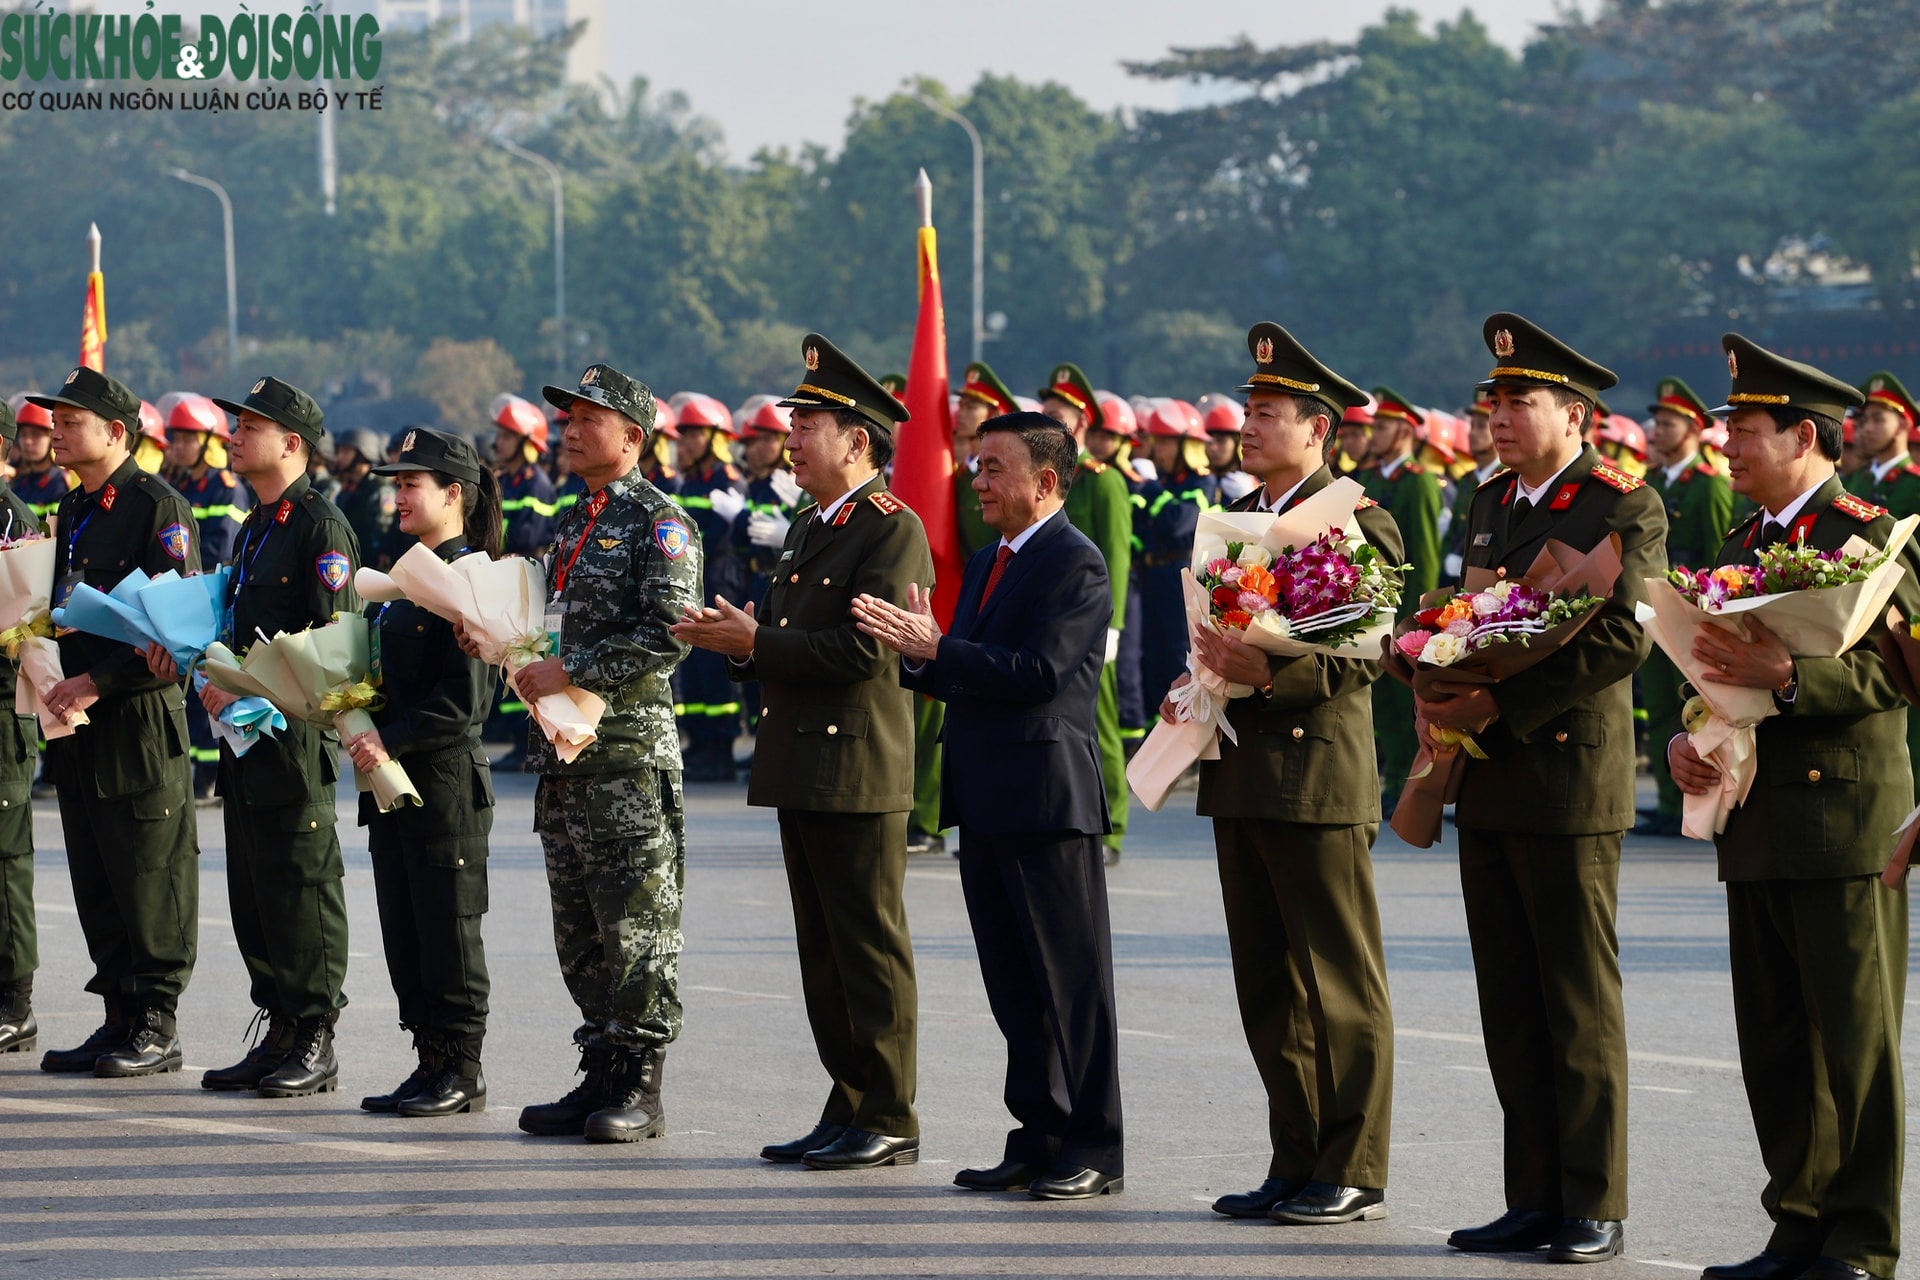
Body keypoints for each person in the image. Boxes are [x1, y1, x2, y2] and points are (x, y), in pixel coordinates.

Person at [1668, 339, 1912, 1280]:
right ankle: (1798, 1225)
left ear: (1804, 437)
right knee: (1774, 1044)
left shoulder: (1868, 535)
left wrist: (1793, 678)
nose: (1727, 443)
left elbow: (1897, 676)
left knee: (1855, 1045)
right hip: (1756, 816)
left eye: (1744, 428)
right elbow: (1711, 666)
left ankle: (1861, 1241)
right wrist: (1690, 737)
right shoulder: (1744, 540)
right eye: (1727, 426)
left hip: (1842, 820)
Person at [1425, 314, 1665, 1264]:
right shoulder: (1489, 501)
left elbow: (1625, 636)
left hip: (1566, 774)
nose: (1499, 417)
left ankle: (1593, 1202)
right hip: (1490, 773)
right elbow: (1468, 613)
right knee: (1511, 998)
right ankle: (1532, 1196)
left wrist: (1498, 701)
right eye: (1493, 401)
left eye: (1519, 401)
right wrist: (1433, 668)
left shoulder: (1622, 505)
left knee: (1575, 1000)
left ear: (1576, 415)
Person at [674, 334, 932, 1172]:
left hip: (856, 766)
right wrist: (741, 645)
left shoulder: (890, 530)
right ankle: (848, 1099)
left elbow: (864, 653)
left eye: (807, 425)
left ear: (857, 441)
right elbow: (786, 640)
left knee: (867, 947)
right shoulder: (810, 524)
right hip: (803, 762)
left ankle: (889, 1112)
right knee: (823, 951)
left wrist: (759, 643)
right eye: (793, 424)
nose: (791, 439)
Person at [856, 409, 1122, 1200]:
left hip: (1045, 799)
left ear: (1046, 480)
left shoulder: (1075, 562)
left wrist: (941, 649)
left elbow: (1040, 674)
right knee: (1014, 985)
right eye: (976, 467)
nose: (978, 482)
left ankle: (1095, 1146)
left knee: (1071, 986)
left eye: (993, 468)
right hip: (985, 794)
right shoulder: (987, 561)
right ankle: (1038, 1134)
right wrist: (922, 654)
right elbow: (967, 666)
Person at [1173, 322, 1400, 1226]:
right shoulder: (1238, 521)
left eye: (1270, 412)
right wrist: (1200, 681)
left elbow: (1362, 653)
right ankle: (1296, 1155)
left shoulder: (1355, 518)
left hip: (1317, 776)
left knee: (1337, 982)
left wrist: (1271, 672)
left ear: (1318, 429)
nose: (1250, 425)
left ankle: (1354, 1166)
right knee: (1268, 982)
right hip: (1241, 769)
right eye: (1250, 410)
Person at [509, 363, 699, 1144]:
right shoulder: (574, 521)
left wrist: (575, 671)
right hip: (565, 756)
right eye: (569, 418)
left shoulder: (660, 521)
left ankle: (641, 1084)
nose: (571, 430)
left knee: (637, 927)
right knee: (581, 930)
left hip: (626, 758)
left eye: (590, 418)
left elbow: (671, 631)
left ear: (632, 436)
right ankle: (600, 1068)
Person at [159, 377, 360, 1099]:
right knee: (254, 886)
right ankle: (278, 1025)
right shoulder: (255, 526)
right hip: (242, 739)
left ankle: (315, 1035)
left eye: (249, 427)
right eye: (235, 425)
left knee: (303, 884)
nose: (234, 436)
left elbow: (336, 651)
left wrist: (252, 688)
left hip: (294, 740)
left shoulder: (320, 528)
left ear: (291, 443)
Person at [33, 367, 201, 1078]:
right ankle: (118, 1015)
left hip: (135, 721)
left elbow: (176, 631)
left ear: (115, 432)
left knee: (147, 871)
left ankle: (157, 1021)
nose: (58, 432)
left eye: (71, 421)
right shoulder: (74, 506)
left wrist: (97, 681)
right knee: (97, 870)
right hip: (78, 721)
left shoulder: (156, 508)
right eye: (56, 421)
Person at [348, 429, 502, 1119]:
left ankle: (461, 1068)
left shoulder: (468, 580)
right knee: (404, 927)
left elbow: (463, 704)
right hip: (391, 785)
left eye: (412, 484)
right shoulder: (404, 579)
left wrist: (388, 737)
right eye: (397, 484)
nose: (399, 495)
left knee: (447, 930)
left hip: (442, 784)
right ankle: (428, 1059)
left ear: (453, 494)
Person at [1038, 362, 1131, 865]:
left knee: (1102, 723)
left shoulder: (1103, 481)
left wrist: (1113, 626)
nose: (1052, 422)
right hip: (1051, 622)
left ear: (1083, 424)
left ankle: (1112, 826)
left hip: (1094, 621)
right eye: (1047, 414)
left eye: (1061, 416)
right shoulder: (1045, 477)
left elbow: (1116, 553)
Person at [1637, 377, 1733, 838]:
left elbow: (1718, 557)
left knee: (1693, 708)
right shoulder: (1652, 480)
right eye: (1657, 422)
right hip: (1655, 609)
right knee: (1659, 704)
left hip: (1691, 615)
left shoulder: (1709, 487)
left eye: (1668, 423)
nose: (1658, 430)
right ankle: (1666, 800)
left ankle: (1694, 802)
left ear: (1695, 428)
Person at [161, 392, 252, 804]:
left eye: (188, 438)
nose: (179, 446)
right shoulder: (179, 485)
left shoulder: (225, 489)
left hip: (209, 600)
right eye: (176, 438)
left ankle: (211, 772)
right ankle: (196, 768)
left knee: (206, 689)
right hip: (181, 598)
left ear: (209, 441)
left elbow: (221, 548)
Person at [1363, 386, 1441, 813]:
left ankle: (1413, 788)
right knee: (1384, 705)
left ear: (1406, 431)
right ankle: (1393, 780)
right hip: (1376, 608)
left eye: (1383, 426)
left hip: (1404, 613)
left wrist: (1415, 620)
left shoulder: (1419, 482)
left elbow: (1424, 555)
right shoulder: (1374, 479)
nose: (1374, 433)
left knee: (1408, 704)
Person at [0, 401, 46, 1057]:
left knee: (4, 858)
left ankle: (15, 1001)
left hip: (2, 705)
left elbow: (28, 627)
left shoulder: (14, 520)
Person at [671, 393, 748, 782]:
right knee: (696, 668)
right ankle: (701, 742)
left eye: (693, 436)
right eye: (683, 436)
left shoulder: (726, 480)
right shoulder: (691, 480)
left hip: (720, 578)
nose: (684, 444)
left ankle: (721, 747)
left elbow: (719, 537)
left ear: (714, 438)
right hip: (696, 579)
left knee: (716, 668)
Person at [485, 394, 560, 772]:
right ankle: (518, 742)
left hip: (523, 580)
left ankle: (528, 742)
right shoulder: (505, 481)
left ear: (527, 442)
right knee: (509, 661)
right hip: (503, 578)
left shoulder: (536, 484)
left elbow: (528, 534)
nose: (499, 442)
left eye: (507, 436)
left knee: (525, 658)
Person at [1136, 400, 1218, 712]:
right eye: (1158, 442)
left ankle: (1183, 721)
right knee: (1151, 654)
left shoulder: (1202, 481)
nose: (1158, 450)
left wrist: (1153, 492)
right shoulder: (1162, 481)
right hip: (1152, 575)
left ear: (1187, 446)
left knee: (1175, 652)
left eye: (1166, 442)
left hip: (1181, 573)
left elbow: (1177, 523)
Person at [1441, 391, 1502, 582]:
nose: (1472, 433)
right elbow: (1453, 532)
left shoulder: (1506, 477)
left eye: (1481, 426)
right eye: (1472, 425)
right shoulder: (1467, 481)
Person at [1842, 372, 1919, 515]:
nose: (1867, 428)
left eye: (1878, 420)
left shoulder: (1915, 485)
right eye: (1865, 420)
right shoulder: (1859, 478)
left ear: (1902, 426)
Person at [333, 428, 400, 571]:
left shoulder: (380, 489)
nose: (339, 457)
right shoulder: (349, 488)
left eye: (345, 452)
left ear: (362, 454)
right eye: (339, 451)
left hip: (371, 570)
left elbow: (383, 535)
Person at [8, 395, 70, 529]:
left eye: (36, 434)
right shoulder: (19, 482)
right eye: (23, 434)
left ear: (51, 438)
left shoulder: (60, 484)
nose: (27, 441)